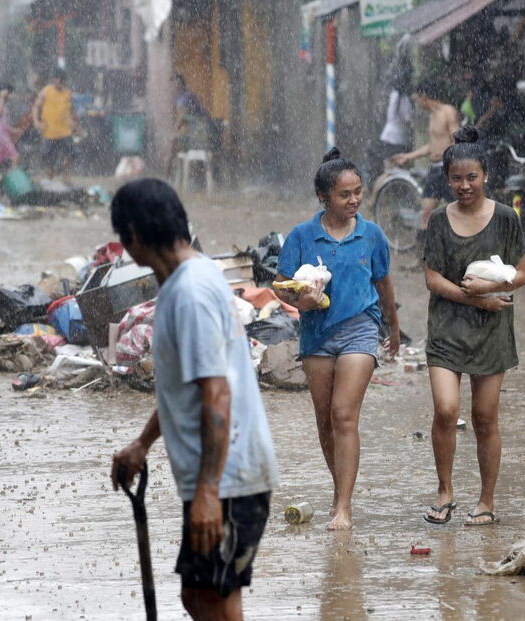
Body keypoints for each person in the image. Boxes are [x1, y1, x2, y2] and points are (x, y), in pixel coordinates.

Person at [110, 178, 279, 621]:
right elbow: (183, 386)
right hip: (226, 474)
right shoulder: (192, 277)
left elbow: (216, 395)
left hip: (228, 478)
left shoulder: (188, 293)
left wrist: (208, 491)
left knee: (214, 603)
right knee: (201, 598)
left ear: (131, 238)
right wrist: (142, 444)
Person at [275, 148, 401, 531]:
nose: (354, 200)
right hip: (316, 332)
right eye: (345, 195)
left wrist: (393, 329)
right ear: (324, 197)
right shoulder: (301, 236)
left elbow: (382, 283)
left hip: (360, 328)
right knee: (325, 419)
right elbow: (281, 286)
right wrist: (300, 297)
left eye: (358, 192)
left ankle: (343, 507)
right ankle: (338, 489)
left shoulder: (371, 234)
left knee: (344, 414)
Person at [421, 127, 525, 526]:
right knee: (446, 410)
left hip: (491, 329)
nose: (464, 186)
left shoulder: (505, 218)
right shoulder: (437, 219)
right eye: (456, 179)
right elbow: (432, 278)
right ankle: (445, 490)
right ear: (446, 179)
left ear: (486, 176)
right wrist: (473, 296)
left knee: (484, 417)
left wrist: (493, 286)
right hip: (447, 325)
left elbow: (522, 273)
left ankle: (486, 500)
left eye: (472, 178)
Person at [390, 79, 461, 228]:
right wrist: (408, 156)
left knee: (456, 214)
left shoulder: (448, 112)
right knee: (427, 211)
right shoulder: (432, 116)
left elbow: (458, 141)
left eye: (418, 99)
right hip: (434, 169)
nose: (418, 104)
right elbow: (433, 146)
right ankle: (427, 248)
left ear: (424, 97)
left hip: (447, 168)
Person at [33, 68, 79, 181]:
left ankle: (65, 175)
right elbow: (36, 107)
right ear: (54, 79)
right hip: (49, 132)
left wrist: (75, 124)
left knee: (72, 153)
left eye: (60, 80)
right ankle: (50, 179)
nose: (58, 82)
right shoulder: (46, 91)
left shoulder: (68, 94)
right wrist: (36, 121)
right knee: (48, 158)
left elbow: (72, 112)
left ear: (63, 81)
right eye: (56, 79)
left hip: (65, 131)